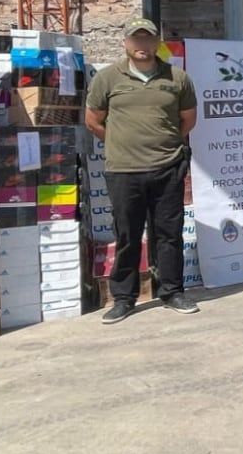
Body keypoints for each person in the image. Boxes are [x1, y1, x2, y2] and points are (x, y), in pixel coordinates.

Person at [85, 17, 199, 321]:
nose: (142, 45)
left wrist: (169, 144)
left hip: (167, 167)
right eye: (136, 39)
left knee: (169, 234)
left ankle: (173, 291)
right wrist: (121, 143)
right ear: (125, 43)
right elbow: (93, 120)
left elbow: (188, 119)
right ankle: (124, 298)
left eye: (148, 39)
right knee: (127, 235)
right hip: (123, 171)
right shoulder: (108, 78)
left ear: (156, 42)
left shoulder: (177, 78)